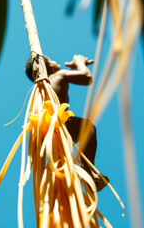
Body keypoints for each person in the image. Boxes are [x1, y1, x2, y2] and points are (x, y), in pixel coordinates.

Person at [25, 54, 108, 192]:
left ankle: (65, 189)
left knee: (62, 163)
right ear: (49, 66)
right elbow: (87, 78)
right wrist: (79, 63)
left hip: (42, 132)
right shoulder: (59, 75)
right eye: (53, 59)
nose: (56, 62)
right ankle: (89, 173)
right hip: (55, 123)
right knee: (88, 127)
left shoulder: (38, 88)